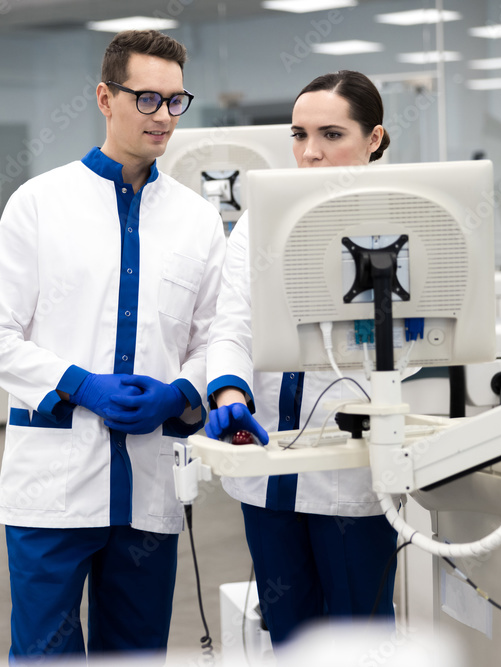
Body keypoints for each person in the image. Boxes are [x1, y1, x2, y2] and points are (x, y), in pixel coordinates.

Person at [0, 30, 225, 662]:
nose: (163, 116)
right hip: (53, 487)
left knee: (136, 653)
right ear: (105, 98)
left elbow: (216, 337)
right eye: (146, 99)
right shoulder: (39, 204)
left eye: (174, 100)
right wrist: (80, 384)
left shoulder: (197, 219)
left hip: (148, 483)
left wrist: (182, 393)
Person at [205, 70, 397, 646]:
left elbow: (411, 347)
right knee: (288, 635)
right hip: (265, 464)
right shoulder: (259, 220)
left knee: (358, 637)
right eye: (299, 134)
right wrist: (229, 391)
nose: (309, 153)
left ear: (374, 138)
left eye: (331, 134)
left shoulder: (401, 220)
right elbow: (231, 320)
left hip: (350, 471)